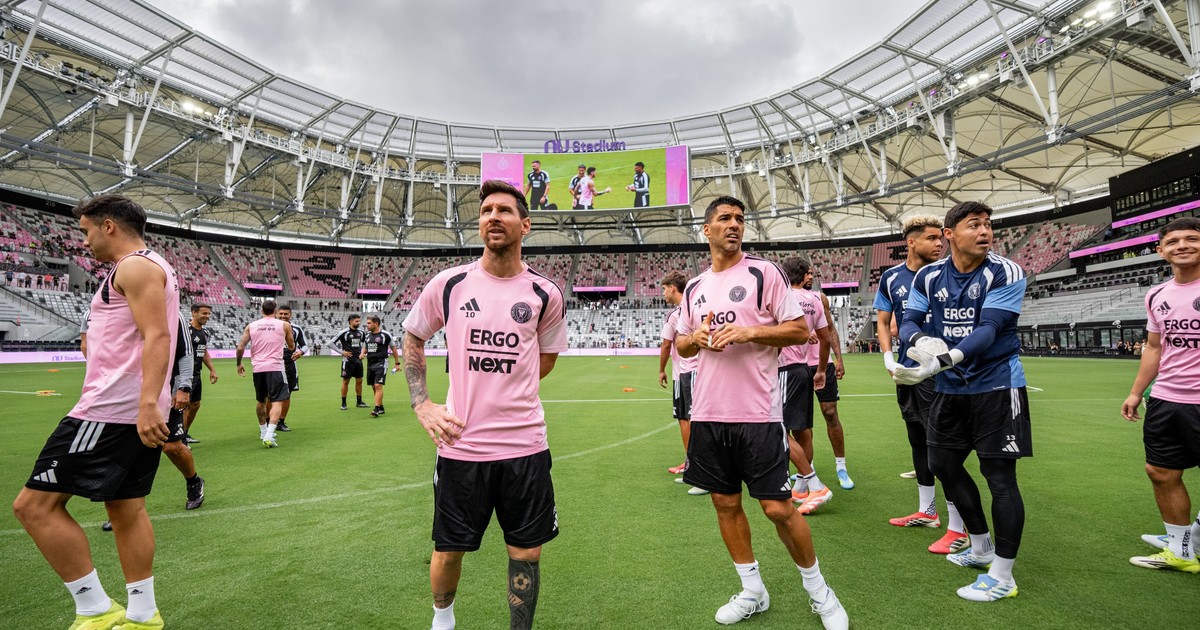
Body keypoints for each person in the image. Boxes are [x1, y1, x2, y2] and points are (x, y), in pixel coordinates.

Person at [674, 195, 848, 629]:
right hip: (708, 413)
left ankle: (821, 593)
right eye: (725, 219)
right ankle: (753, 590)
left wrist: (748, 331)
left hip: (758, 413)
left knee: (777, 508)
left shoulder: (763, 273)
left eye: (740, 218)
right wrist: (696, 339)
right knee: (724, 502)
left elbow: (800, 330)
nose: (734, 224)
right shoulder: (694, 288)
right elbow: (682, 344)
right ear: (707, 230)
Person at [402, 179, 567, 630]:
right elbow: (413, 337)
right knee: (448, 548)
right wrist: (422, 404)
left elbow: (545, 358)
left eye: (505, 210)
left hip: (525, 447)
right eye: (486, 210)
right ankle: (443, 621)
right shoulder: (450, 284)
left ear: (525, 225)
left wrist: (509, 387)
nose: (493, 216)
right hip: (462, 445)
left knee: (526, 553)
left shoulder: (545, 293)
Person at [13, 194, 179, 629]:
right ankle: (143, 615)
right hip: (129, 408)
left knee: (34, 507)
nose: (83, 241)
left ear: (109, 226)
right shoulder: (148, 265)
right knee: (126, 509)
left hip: (109, 410)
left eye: (86, 231)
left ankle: (95, 609)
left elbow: (158, 336)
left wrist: (147, 403)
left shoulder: (135, 267)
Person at [894, 201, 1032, 601]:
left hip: (997, 386)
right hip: (951, 388)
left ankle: (1002, 575)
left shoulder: (1005, 271)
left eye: (988, 224)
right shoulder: (929, 276)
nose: (985, 231)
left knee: (999, 477)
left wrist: (943, 359)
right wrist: (920, 342)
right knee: (942, 464)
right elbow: (908, 322)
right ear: (950, 234)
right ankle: (981, 545)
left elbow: (989, 329)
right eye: (974, 225)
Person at [874, 215, 969, 555]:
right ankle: (928, 511)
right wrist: (888, 358)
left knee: (943, 448)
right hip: (907, 369)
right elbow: (883, 321)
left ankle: (959, 526)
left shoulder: (949, 273)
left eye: (940, 238)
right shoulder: (891, 277)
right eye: (931, 238)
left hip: (942, 372)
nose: (939, 243)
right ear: (911, 242)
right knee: (917, 439)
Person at [1122, 217, 1200, 573]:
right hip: (1167, 399)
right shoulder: (1156, 295)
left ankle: (1193, 537)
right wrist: (1136, 392)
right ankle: (1181, 550)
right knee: (1161, 471)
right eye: (1173, 241)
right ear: (1160, 250)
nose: (1182, 245)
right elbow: (1155, 348)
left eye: (1192, 239)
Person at [778, 257, 837, 515]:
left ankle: (814, 483)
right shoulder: (814, 300)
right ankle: (802, 487)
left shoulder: (782, 297)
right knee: (802, 430)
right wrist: (821, 369)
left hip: (784, 370)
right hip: (804, 368)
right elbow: (826, 337)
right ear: (803, 277)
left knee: (776, 428)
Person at [800, 268, 853, 489]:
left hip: (823, 364)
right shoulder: (783, 297)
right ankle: (807, 468)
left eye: (812, 273)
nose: (811, 277)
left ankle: (841, 466)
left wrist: (839, 358)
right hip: (796, 365)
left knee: (830, 413)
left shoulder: (820, 298)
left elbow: (830, 329)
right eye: (806, 273)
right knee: (801, 422)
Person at [658, 270, 707, 496]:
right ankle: (693, 466)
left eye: (664, 289)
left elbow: (666, 344)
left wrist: (661, 370)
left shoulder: (679, 313)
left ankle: (700, 470)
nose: (663, 293)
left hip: (690, 372)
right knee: (688, 419)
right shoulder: (691, 308)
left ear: (673, 288)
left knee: (693, 421)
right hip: (688, 372)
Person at [235, 299, 295, 448]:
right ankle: (269, 435)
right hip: (275, 367)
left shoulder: (251, 325)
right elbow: (291, 345)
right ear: (276, 311)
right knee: (277, 401)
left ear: (261, 310)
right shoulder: (284, 325)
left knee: (261, 401)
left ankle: (263, 431)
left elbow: (240, 347)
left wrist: (239, 364)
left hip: (258, 368)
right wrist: (289, 344)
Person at [183, 303, 218, 444]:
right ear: (194, 313)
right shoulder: (185, 330)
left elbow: (203, 351)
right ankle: (180, 439)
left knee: (195, 404)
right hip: (185, 375)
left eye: (209, 314)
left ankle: (184, 433)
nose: (207, 316)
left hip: (196, 374)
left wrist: (212, 370)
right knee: (184, 406)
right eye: (204, 313)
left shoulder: (205, 332)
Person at [275, 304, 309, 432]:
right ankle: (267, 422)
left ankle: (281, 422)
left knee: (287, 394)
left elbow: (305, 345)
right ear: (276, 314)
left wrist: (301, 352)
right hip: (272, 364)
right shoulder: (270, 327)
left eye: (286, 314)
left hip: (289, 364)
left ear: (290, 315)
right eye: (281, 314)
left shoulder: (296, 329)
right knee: (269, 394)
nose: (283, 316)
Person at [360, 315, 400, 417]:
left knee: (378, 385)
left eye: (369, 323)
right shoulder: (367, 336)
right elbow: (365, 347)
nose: (367, 325)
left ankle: (376, 409)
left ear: (376, 324)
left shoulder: (385, 335)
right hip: (370, 364)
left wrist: (397, 363)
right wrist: (362, 353)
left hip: (382, 362)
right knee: (374, 386)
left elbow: (394, 349)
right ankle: (381, 407)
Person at [331, 314, 367, 410]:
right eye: (356, 321)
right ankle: (343, 403)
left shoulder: (361, 332)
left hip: (358, 360)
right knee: (346, 381)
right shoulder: (344, 332)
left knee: (359, 381)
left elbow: (365, 343)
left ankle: (359, 402)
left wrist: (362, 353)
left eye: (359, 321)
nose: (358, 323)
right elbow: (330, 343)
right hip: (347, 361)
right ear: (350, 321)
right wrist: (341, 352)